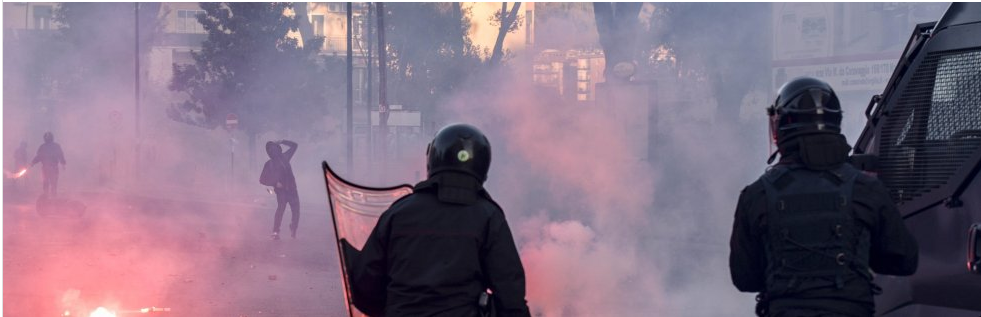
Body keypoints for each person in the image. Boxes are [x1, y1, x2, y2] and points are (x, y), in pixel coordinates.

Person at [729, 77, 919, 317]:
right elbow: (904, 260)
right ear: (835, 122)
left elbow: (745, 278)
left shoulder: (756, 195)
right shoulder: (866, 189)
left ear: (781, 128)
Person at [343, 123, 531, 317]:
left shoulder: (399, 212)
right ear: (483, 166)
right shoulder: (489, 217)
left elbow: (364, 285)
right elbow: (510, 295)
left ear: (433, 159)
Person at [259, 139, 299, 240]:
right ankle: (275, 231)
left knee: (296, 210)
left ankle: (293, 227)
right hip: (281, 192)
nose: (273, 151)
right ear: (269, 152)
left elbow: (294, 145)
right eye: (270, 150)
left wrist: (282, 141)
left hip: (292, 190)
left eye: (274, 148)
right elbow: (262, 179)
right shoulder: (269, 164)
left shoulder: (285, 157)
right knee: (280, 210)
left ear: (278, 148)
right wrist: (275, 183)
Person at [32, 132, 66, 197]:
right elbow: (39, 156)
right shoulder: (54, 146)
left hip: (49, 168)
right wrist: (32, 163)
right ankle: (50, 197)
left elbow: (38, 157)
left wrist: (63, 163)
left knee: (49, 183)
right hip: (49, 168)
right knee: (50, 183)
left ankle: (49, 197)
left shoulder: (43, 147)